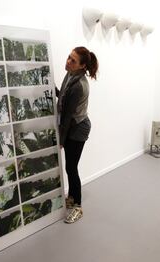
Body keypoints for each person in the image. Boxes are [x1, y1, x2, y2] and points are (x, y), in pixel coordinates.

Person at [57, 46, 98, 224]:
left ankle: (78, 206)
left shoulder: (79, 86)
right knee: (69, 167)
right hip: (72, 125)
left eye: (73, 60)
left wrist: (61, 140)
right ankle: (72, 197)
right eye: (68, 57)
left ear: (82, 66)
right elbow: (63, 99)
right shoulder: (70, 74)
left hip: (78, 128)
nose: (68, 62)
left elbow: (67, 116)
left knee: (71, 168)